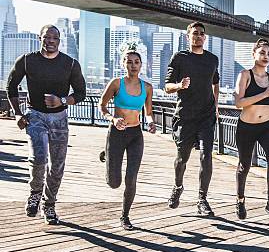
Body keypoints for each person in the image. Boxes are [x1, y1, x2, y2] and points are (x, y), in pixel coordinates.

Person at [6, 24, 86, 224]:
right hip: (36, 115)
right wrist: (17, 113)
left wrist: (63, 101)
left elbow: (81, 93)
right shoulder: (27, 60)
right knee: (38, 158)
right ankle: (35, 192)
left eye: (55, 39)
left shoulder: (70, 64)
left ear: (59, 41)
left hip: (59, 118)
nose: (50, 41)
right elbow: (11, 86)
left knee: (57, 166)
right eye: (46, 38)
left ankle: (49, 205)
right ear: (39, 38)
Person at [164, 22, 219, 216]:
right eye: (194, 33)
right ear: (188, 36)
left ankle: (202, 200)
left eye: (202, 34)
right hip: (186, 116)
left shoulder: (213, 59)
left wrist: (216, 106)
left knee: (206, 156)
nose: (198, 36)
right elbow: (167, 86)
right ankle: (178, 187)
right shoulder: (179, 58)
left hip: (206, 116)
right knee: (182, 158)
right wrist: (179, 85)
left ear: (205, 38)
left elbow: (215, 83)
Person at [98, 49, 155, 230]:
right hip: (116, 133)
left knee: (131, 178)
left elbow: (149, 112)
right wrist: (112, 119)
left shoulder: (147, 88)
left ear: (140, 64)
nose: (133, 65)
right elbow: (102, 105)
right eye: (129, 62)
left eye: (136, 62)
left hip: (135, 135)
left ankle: (125, 216)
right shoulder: (116, 84)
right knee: (114, 183)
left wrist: (152, 122)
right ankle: (108, 155)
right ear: (123, 64)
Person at [233, 38, 269, 219]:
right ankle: (240, 200)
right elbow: (239, 103)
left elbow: (265, 102)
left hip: (268, 125)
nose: (266, 56)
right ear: (253, 54)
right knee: (244, 165)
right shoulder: (245, 75)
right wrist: (265, 94)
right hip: (247, 127)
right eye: (262, 53)